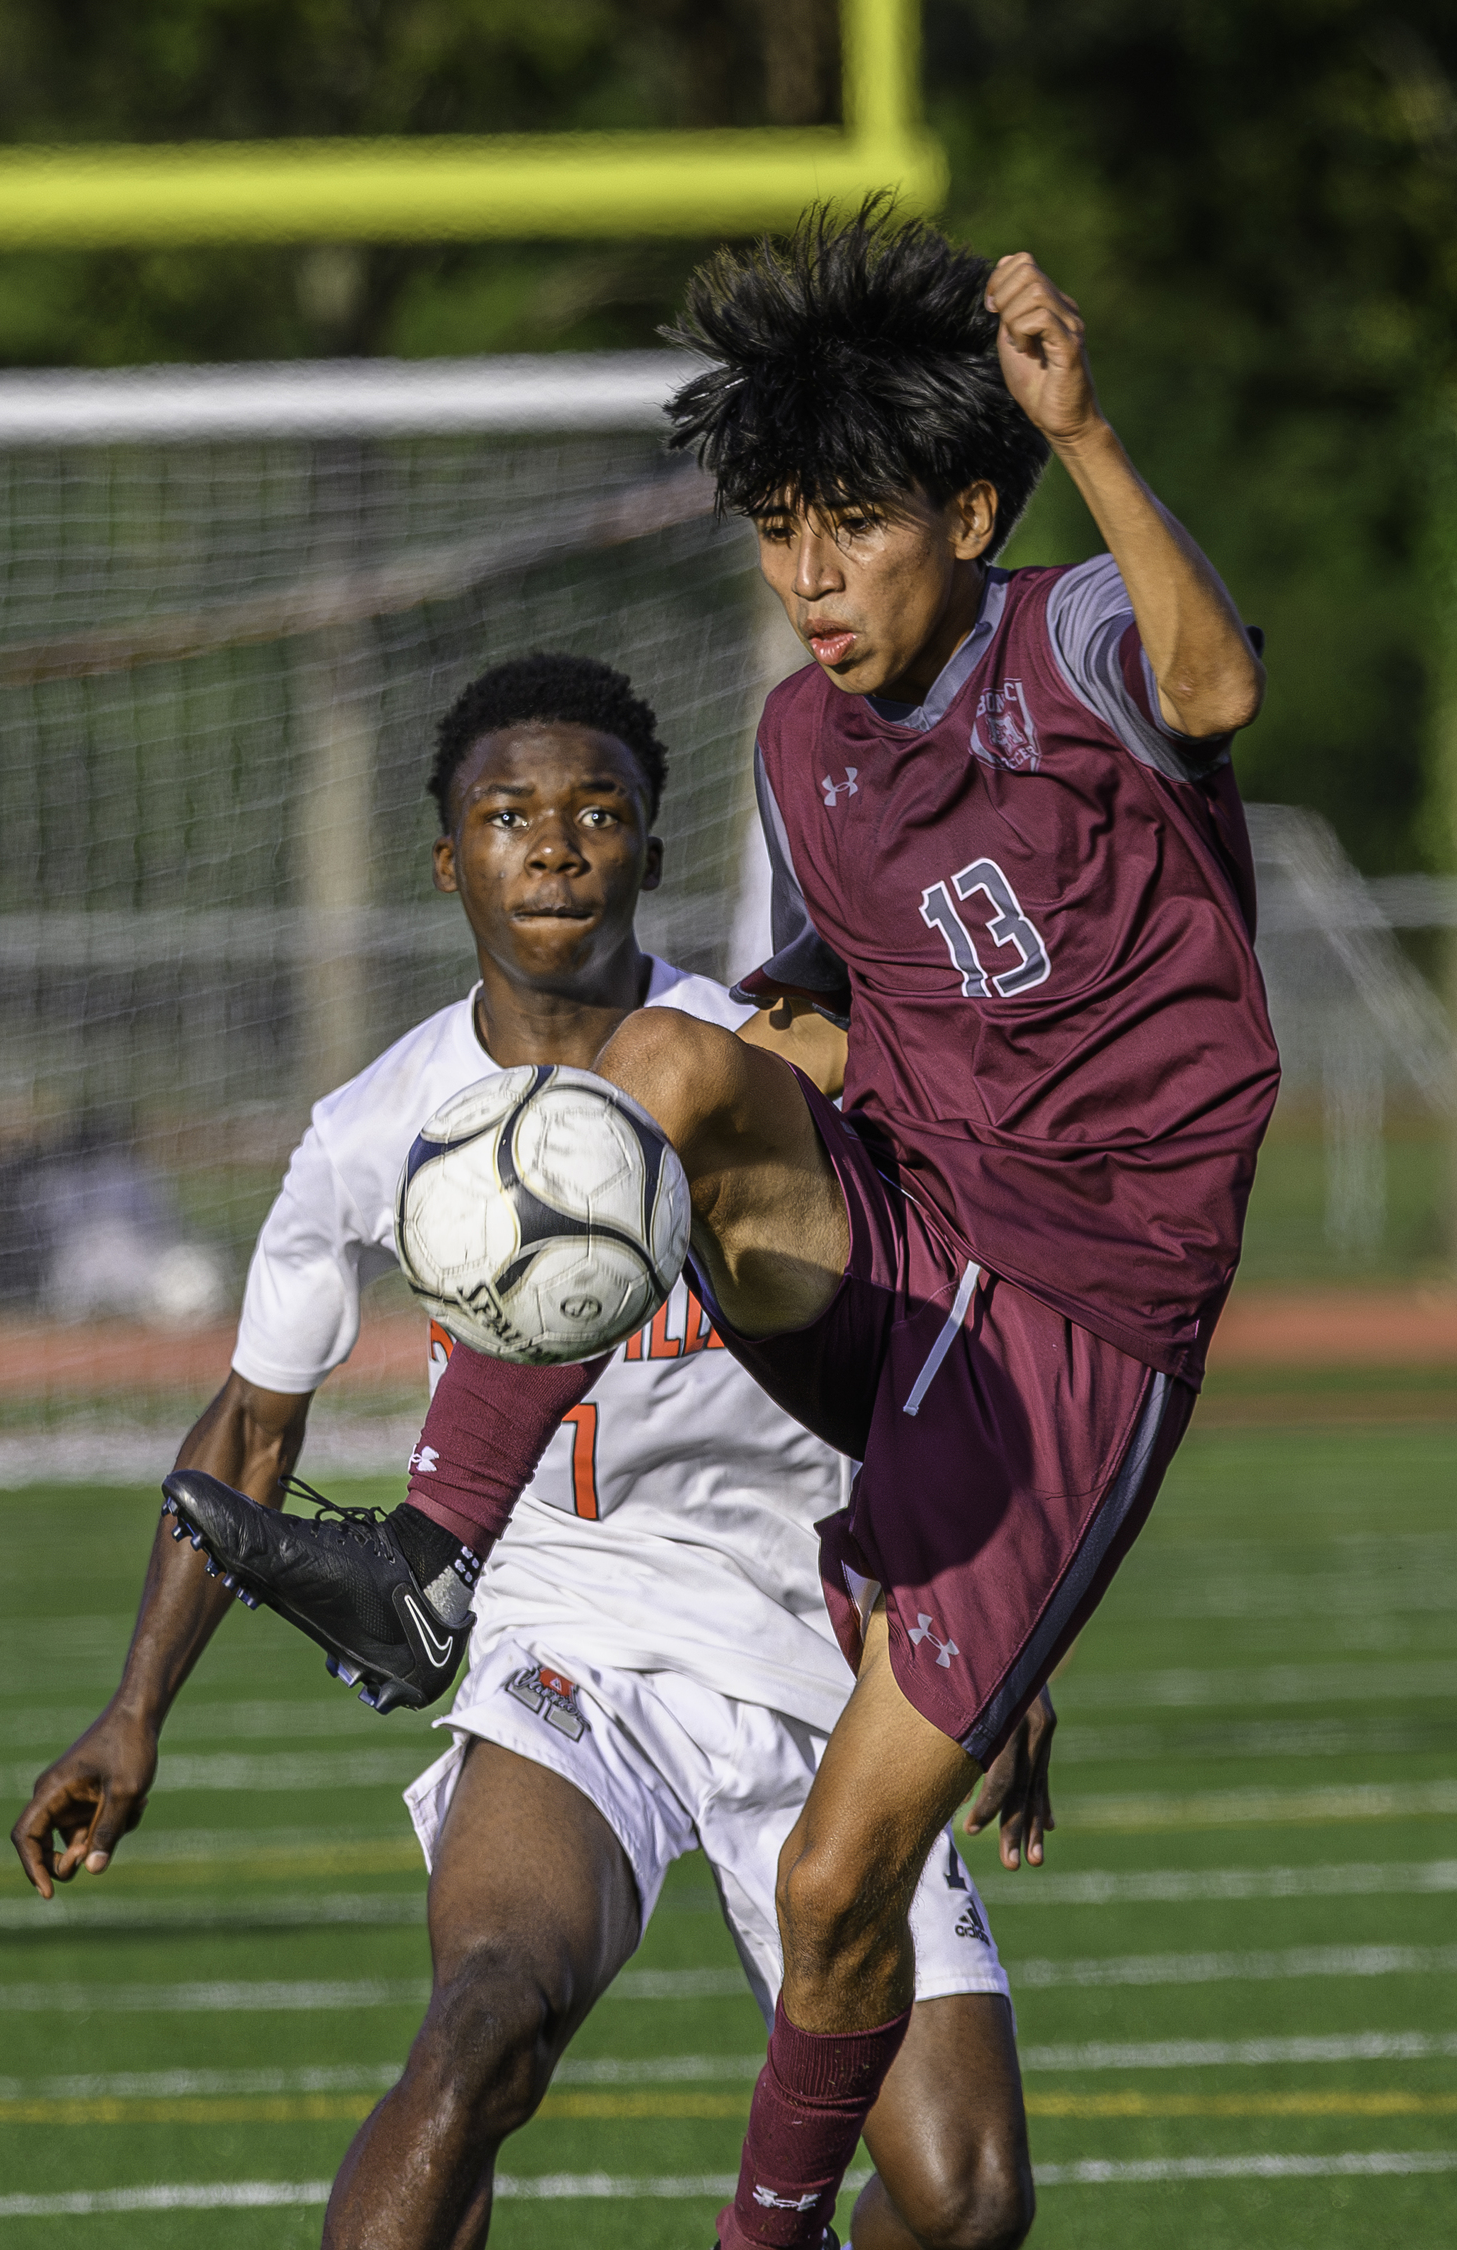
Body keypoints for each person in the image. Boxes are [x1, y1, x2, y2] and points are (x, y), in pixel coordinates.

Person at [157, 200, 1281, 2250]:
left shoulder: (1071, 640)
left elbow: (1212, 689)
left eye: (847, 527)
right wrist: (747, 1079)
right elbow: (850, 1025)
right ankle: (431, 1566)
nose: (808, 578)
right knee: (666, 1067)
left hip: (1078, 1327)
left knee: (848, 1903)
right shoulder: (796, 743)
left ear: (965, 507)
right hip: (908, 1242)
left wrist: (1093, 434)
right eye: (775, 530)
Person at [13, 654, 1058, 2250]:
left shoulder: (760, 1068)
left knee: (966, 2194)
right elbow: (253, 1422)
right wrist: (133, 1709)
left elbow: (934, 1346)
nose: (555, 846)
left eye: (598, 814)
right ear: (450, 859)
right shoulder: (376, 1123)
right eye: (509, 816)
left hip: (818, 1645)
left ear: (651, 843)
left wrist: (993, 1615)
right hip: (569, 1632)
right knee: (483, 2025)